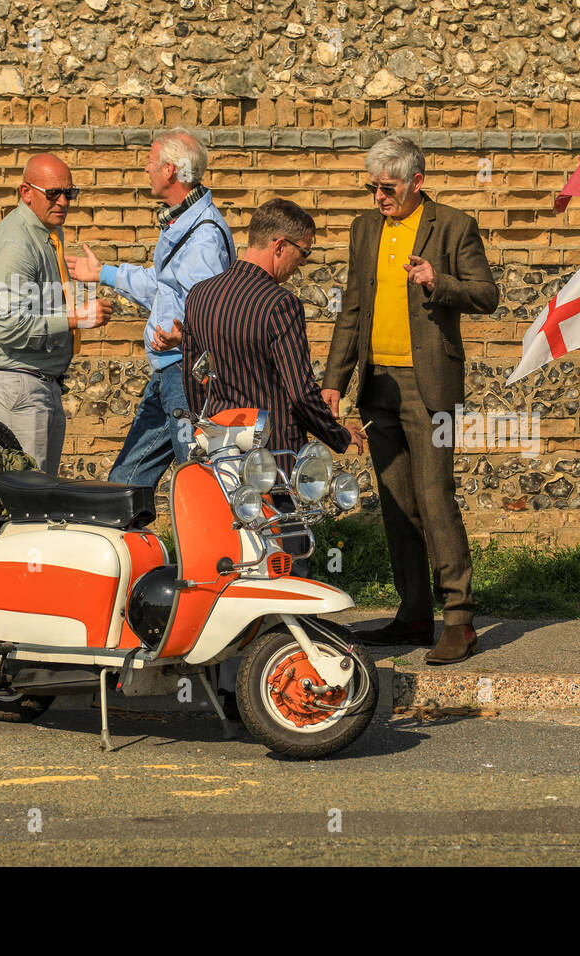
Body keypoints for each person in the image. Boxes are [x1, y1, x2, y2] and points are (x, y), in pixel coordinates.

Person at [181, 198, 364, 717]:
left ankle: (224, 688)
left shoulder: (201, 296)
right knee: (283, 563)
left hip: (216, 452)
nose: (299, 268)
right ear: (279, 245)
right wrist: (340, 436)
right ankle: (277, 684)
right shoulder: (277, 305)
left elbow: (193, 375)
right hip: (272, 458)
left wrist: (207, 424)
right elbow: (301, 391)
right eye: (301, 256)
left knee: (228, 566)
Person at [321, 134, 499, 665]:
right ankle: (414, 613)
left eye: (389, 187)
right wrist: (335, 380)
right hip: (378, 387)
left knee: (434, 495)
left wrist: (437, 280)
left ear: (417, 182)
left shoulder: (454, 226)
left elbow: (486, 294)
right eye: (373, 187)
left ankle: (459, 619)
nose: (380, 197)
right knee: (397, 503)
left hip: (430, 388)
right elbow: (351, 308)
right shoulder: (364, 229)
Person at [66, 130, 233, 488]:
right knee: (128, 479)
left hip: (186, 375)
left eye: (151, 162)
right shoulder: (183, 222)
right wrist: (103, 273)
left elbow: (212, 310)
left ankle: (223, 543)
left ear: (170, 170)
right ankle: (122, 541)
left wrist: (184, 336)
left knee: (203, 478)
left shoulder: (202, 236)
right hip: (169, 372)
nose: (146, 168)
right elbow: (164, 286)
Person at [0, 153, 113, 474]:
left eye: (70, 193)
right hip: (15, 385)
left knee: (38, 493)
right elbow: (10, 327)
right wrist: (77, 318)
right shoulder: (17, 245)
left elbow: (41, 305)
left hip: (36, 382)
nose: (63, 201)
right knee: (26, 496)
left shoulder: (49, 234)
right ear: (26, 192)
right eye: (53, 194)